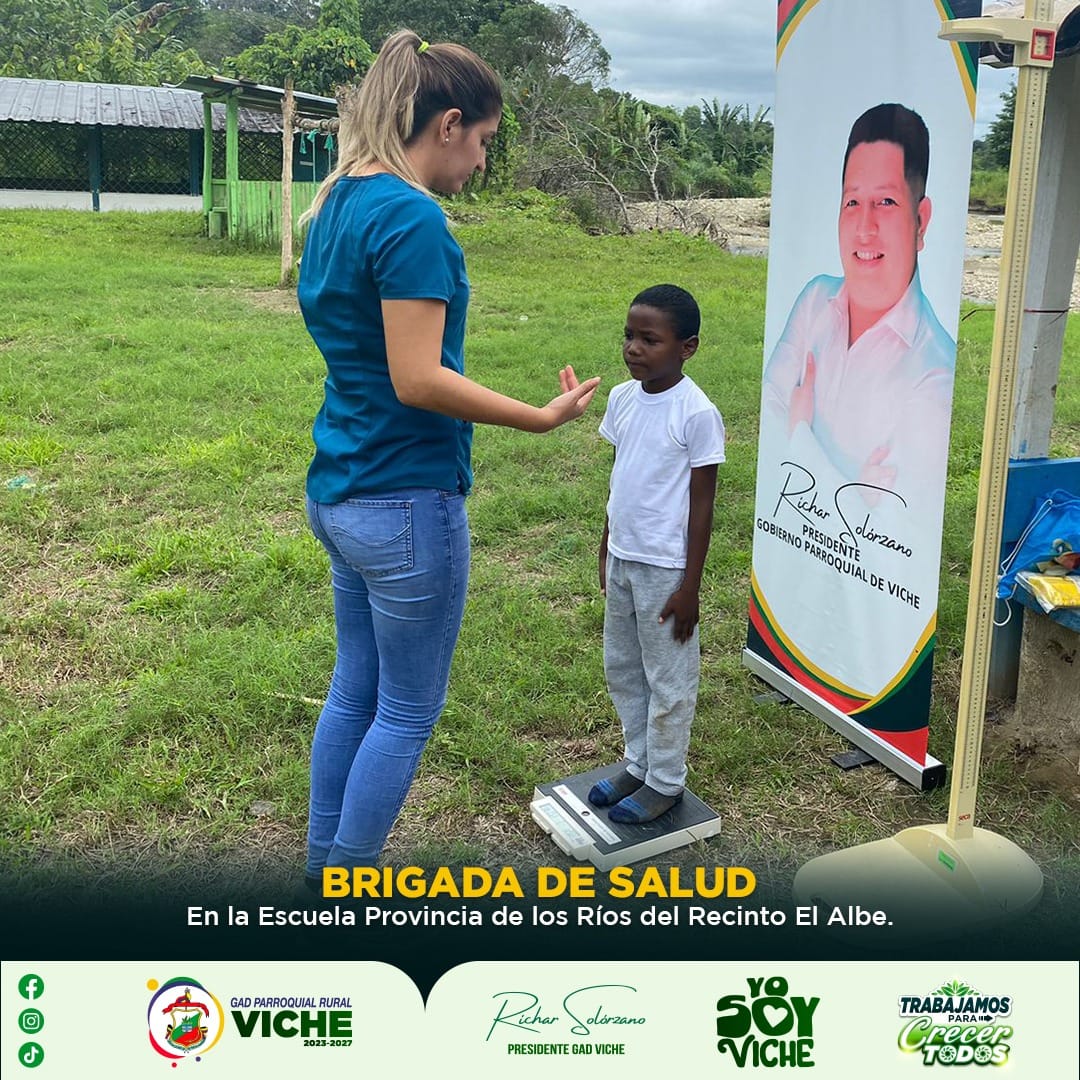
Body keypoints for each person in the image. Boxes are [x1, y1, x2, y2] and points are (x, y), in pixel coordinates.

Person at [297, 30, 600, 883]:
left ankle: (322, 871)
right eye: (485, 142)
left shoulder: (339, 198)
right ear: (449, 124)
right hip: (403, 499)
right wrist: (537, 418)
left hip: (340, 487)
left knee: (354, 689)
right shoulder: (411, 215)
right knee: (404, 710)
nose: (481, 162)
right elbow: (418, 378)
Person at [762, 102, 954, 512]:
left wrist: (799, 431)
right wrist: (852, 487)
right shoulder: (815, 299)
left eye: (885, 202)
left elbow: (888, 522)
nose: (864, 229)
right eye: (852, 203)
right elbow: (769, 421)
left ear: (921, 221)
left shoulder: (934, 370)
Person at [588, 285, 726, 823]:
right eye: (629, 336)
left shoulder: (696, 413)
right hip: (625, 558)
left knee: (668, 679)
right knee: (623, 668)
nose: (633, 348)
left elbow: (703, 503)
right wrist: (607, 543)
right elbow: (621, 476)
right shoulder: (623, 399)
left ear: (687, 347)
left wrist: (690, 586)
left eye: (650, 339)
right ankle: (640, 763)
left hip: (667, 570)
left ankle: (666, 781)